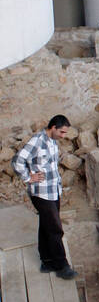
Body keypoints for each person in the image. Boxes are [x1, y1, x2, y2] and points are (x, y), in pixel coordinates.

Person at [11, 115, 76, 278]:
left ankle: (47, 261)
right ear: (53, 127)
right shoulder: (37, 141)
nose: (63, 136)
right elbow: (17, 160)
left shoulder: (53, 141)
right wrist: (27, 177)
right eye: (61, 132)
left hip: (53, 190)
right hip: (41, 193)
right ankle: (62, 266)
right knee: (55, 228)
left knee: (46, 224)